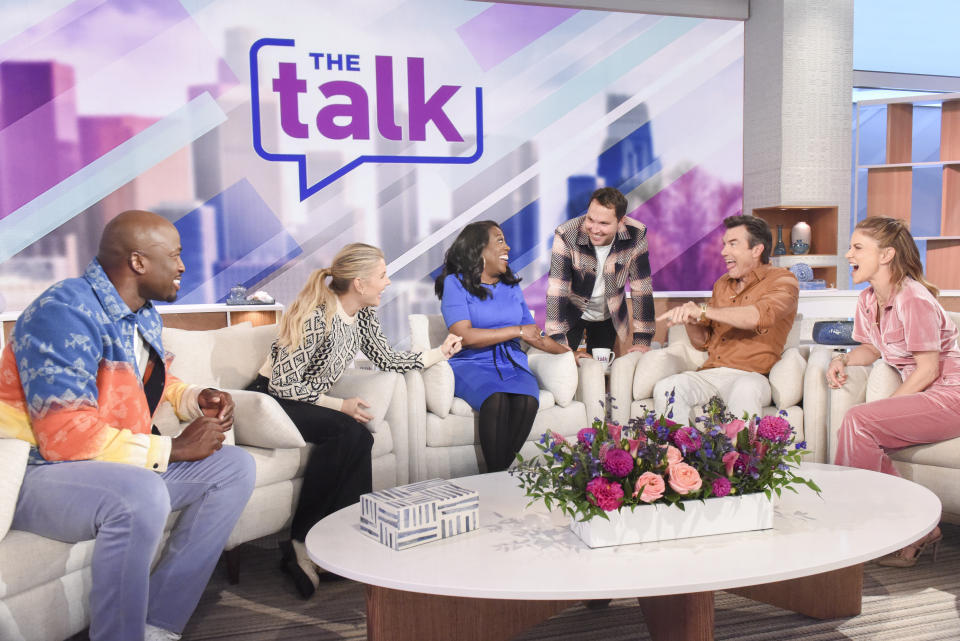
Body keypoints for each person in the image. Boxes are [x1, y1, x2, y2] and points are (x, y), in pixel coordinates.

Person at [0, 210, 256, 641]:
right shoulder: (61, 313)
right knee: (141, 492)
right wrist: (173, 449)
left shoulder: (142, 313)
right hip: (34, 471)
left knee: (234, 467)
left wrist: (195, 398)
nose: (182, 266)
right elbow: (63, 437)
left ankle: (159, 623)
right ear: (138, 262)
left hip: (104, 464)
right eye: (174, 255)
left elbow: (142, 379)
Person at [246, 243, 461, 599]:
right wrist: (338, 404)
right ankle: (300, 542)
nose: (388, 282)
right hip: (269, 399)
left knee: (359, 436)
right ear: (359, 283)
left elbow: (388, 358)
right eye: (382, 275)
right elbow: (283, 384)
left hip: (300, 398)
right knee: (346, 429)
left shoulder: (361, 316)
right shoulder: (317, 314)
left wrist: (439, 353)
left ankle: (338, 540)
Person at [828, 216, 959, 567]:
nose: (847, 254)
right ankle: (917, 528)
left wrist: (884, 409)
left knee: (859, 422)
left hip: (951, 394)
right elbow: (873, 348)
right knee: (860, 427)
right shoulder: (868, 299)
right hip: (929, 394)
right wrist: (843, 360)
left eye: (857, 247)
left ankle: (854, 523)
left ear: (886, 255)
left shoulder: (912, 297)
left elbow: (928, 368)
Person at [435, 221, 569, 473]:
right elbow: (463, 335)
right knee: (496, 399)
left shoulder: (511, 287)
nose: (507, 246)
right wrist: (516, 331)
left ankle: (495, 477)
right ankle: (498, 479)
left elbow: (534, 335)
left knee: (527, 401)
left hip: (512, 362)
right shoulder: (455, 283)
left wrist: (568, 354)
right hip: (472, 362)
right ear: (479, 249)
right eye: (499, 240)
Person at [654, 214, 799, 424]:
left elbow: (758, 315)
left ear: (757, 250)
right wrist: (690, 320)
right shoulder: (722, 283)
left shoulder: (784, 280)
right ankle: (679, 454)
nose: (723, 252)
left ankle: (740, 457)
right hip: (711, 373)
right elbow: (703, 343)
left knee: (745, 389)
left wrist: (703, 311)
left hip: (753, 375)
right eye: (724, 244)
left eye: (733, 244)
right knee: (667, 388)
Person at [546, 186, 655, 357]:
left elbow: (642, 289)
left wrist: (642, 340)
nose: (595, 229)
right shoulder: (566, 234)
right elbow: (556, 290)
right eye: (591, 219)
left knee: (599, 370)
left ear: (621, 222)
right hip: (571, 312)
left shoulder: (636, 235)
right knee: (564, 366)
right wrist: (558, 342)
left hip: (608, 315)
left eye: (604, 223)